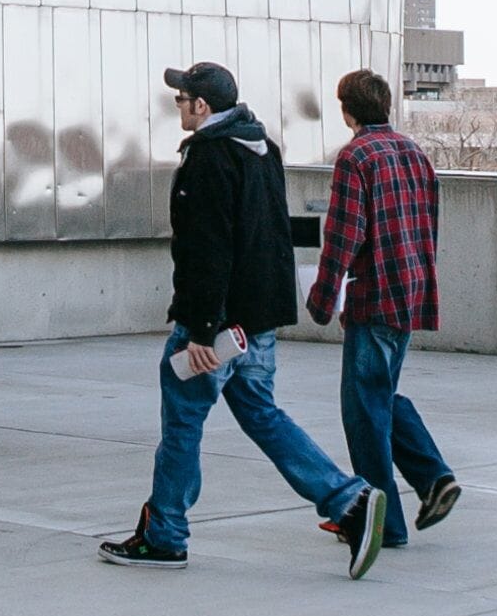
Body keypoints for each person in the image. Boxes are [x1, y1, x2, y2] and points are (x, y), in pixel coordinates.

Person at [99, 62, 382, 575]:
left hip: (216, 323)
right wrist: (261, 318)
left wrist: (202, 329)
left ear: (202, 106)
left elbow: (206, 249)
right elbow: (270, 236)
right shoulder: (262, 148)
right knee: (262, 415)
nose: (178, 108)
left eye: (181, 100)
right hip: (254, 321)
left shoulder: (208, 157)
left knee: (183, 423)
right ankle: (349, 501)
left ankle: (164, 535)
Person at [306, 69, 461, 550]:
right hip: (410, 289)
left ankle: (384, 522)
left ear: (346, 109)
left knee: (363, 411)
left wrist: (323, 296)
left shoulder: (355, 157)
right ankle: (432, 480)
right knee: (377, 396)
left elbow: (344, 236)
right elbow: (428, 223)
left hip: (374, 296)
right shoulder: (413, 151)